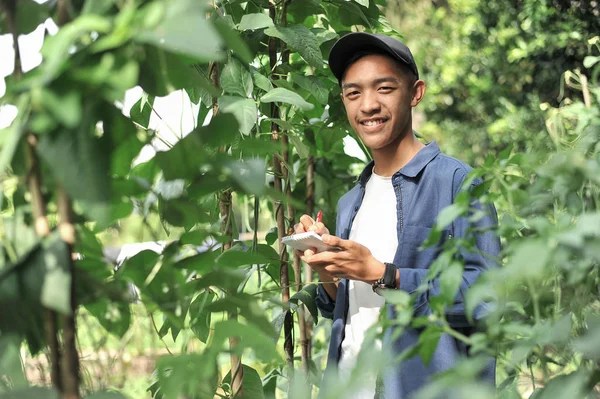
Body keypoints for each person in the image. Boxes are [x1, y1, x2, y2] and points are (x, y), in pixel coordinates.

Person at [294, 33, 501, 398]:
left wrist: (386, 274)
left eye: (384, 88)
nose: (368, 105)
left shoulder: (458, 183)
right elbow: (352, 306)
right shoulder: (350, 201)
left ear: (415, 92)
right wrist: (329, 270)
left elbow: (487, 298)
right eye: (353, 93)